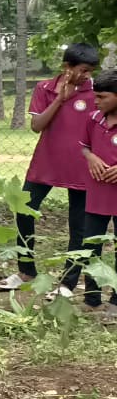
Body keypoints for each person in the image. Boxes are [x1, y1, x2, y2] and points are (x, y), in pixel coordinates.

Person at [0, 43, 100, 293]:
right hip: (47, 163)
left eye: (90, 71)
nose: (87, 76)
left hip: (83, 167)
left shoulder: (97, 92)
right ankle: (26, 270)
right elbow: (37, 126)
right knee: (24, 210)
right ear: (66, 67)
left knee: (79, 225)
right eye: (83, 70)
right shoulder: (45, 88)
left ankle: (68, 282)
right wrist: (61, 100)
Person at [79, 70, 117, 314]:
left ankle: (116, 300)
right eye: (95, 96)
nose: (96, 101)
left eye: (102, 97)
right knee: (91, 244)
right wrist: (91, 157)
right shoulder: (93, 118)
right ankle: (91, 297)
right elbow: (84, 146)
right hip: (97, 193)